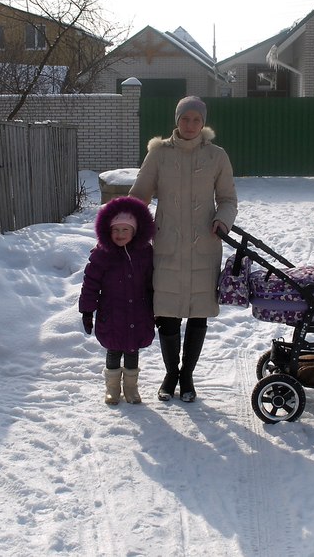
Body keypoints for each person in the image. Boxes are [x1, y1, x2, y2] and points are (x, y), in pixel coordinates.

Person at [129, 96, 238, 402]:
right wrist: (121, 224)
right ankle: (170, 374)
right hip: (167, 244)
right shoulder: (159, 154)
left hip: (205, 243)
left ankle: (187, 377)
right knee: (167, 313)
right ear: (176, 120)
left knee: (198, 314)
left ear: (204, 124)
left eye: (196, 120)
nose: (190, 125)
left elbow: (228, 199)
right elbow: (139, 195)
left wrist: (222, 221)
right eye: (185, 119)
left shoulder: (217, 156)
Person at [79, 196, 155, 405]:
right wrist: (87, 311)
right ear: (107, 230)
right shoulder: (102, 254)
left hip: (138, 313)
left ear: (135, 231)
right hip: (111, 313)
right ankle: (112, 388)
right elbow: (91, 284)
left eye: (125, 230)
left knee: (132, 350)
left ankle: (131, 388)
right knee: (113, 350)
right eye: (116, 230)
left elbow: (153, 283)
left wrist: (156, 309)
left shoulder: (145, 253)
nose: (120, 235)